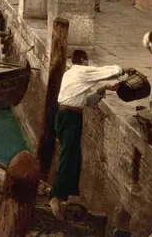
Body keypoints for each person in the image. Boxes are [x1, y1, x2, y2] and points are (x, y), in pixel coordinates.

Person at [50, 50, 134, 220]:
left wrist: (102, 90)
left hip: (65, 116)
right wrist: (123, 70)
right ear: (84, 60)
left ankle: (69, 195)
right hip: (70, 117)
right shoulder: (81, 70)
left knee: (74, 155)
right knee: (67, 156)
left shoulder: (70, 74)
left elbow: (86, 101)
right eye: (87, 62)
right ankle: (56, 198)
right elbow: (105, 72)